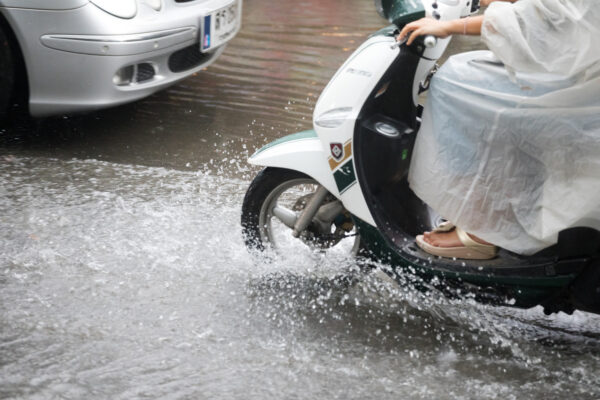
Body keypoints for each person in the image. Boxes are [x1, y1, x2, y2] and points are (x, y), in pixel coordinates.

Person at [396, 0, 600, 259]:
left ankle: (483, 228)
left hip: (585, 86)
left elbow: (536, 19)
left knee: (455, 84)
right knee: (474, 73)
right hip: (583, 70)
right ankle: (487, 213)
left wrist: (449, 26)